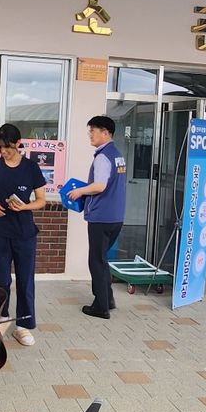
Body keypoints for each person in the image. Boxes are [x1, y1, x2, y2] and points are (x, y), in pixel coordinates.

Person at [0, 123, 46, 346]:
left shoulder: (31, 168)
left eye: (7, 147)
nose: (3, 152)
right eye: (0, 147)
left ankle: (24, 326)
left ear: (18, 143)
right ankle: (2, 318)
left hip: (25, 233)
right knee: (0, 279)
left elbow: (41, 200)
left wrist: (25, 207)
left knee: (25, 279)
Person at [67, 115, 126, 319]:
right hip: (116, 216)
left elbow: (100, 185)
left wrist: (80, 191)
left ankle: (101, 307)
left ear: (105, 133)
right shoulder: (118, 155)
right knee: (102, 258)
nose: (90, 135)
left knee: (96, 261)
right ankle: (107, 298)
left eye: (93, 131)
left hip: (101, 217)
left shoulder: (103, 157)